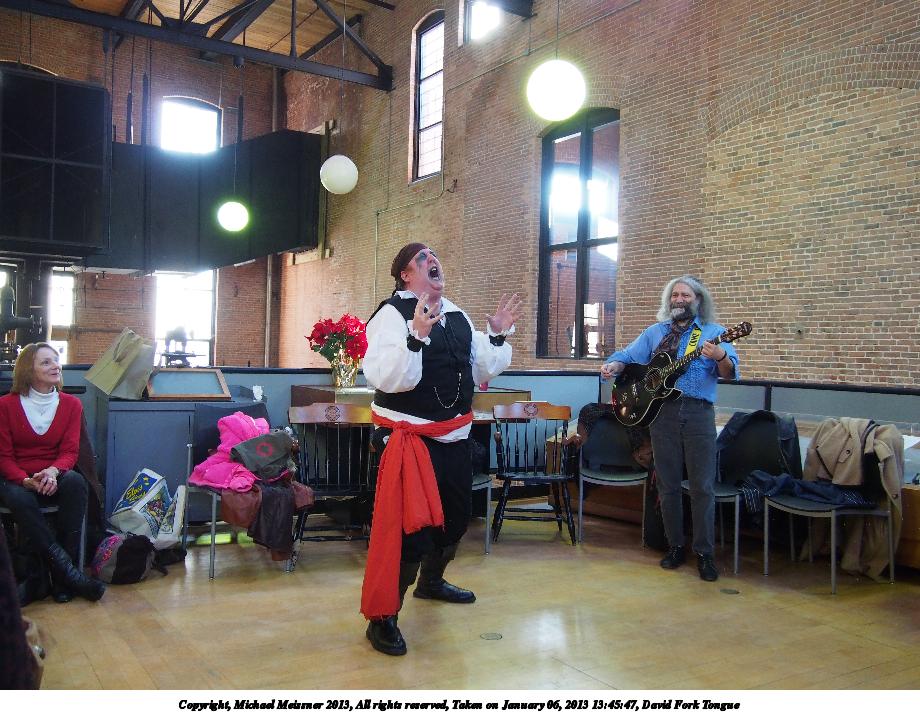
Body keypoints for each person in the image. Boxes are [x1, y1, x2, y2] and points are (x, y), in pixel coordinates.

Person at [360, 243, 521, 656]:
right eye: (422, 259)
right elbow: (386, 377)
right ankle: (383, 618)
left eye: (434, 257)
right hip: (409, 442)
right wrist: (416, 336)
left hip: (454, 438)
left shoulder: (456, 314)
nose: (432, 261)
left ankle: (430, 582)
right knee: (411, 532)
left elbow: (481, 367)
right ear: (405, 275)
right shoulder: (390, 315)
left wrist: (497, 334)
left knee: (455, 519)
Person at [601, 276, 739, 581]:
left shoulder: (714, 333)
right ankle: (675, 546)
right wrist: (614, 366)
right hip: (662, 414)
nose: (679, 299)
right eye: (675, 295)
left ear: (698, 300)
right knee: (668, 484)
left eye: (685, 295)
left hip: (699, 413)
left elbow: (730, 373)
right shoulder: (656, 332)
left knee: (702, 487)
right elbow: (627, 356)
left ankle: (704, 553)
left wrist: (721, 356)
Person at [0, 343, 105, 603]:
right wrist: (25, 480)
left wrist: (52, 471)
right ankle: (68, 575)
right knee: (18, 496)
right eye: (45, 362)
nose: (55, 366)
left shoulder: (71, 405)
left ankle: (58, 579)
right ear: (28, 369)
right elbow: (4, 457)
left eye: (55, 360)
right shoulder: (5, 405)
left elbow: (70, 452)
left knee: (76, 483)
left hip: (53, 474)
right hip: (18, 477)